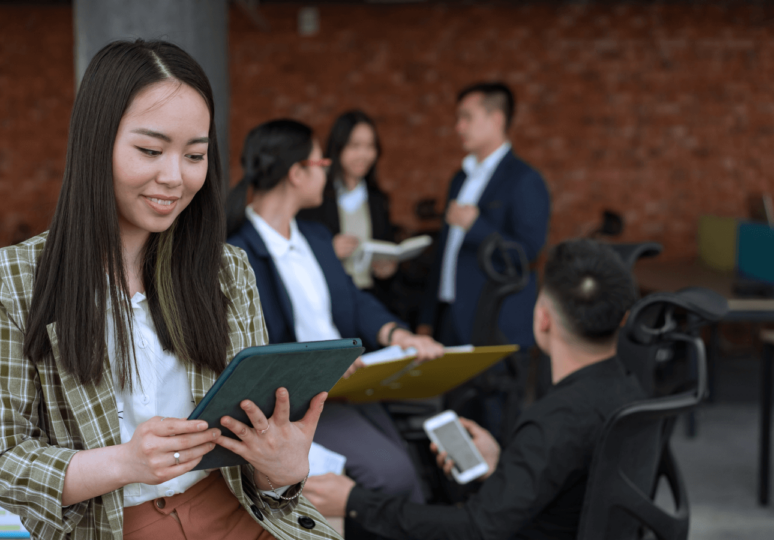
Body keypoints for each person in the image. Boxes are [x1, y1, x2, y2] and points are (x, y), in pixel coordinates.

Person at [0, 40, 339, 540]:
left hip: (236, 510)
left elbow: (259, 450)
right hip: (111, 524)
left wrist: (282, 471)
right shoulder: (10, 279)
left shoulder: (226, 270)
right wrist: (124, 462)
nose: (174, 178)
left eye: (195, 155)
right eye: (149, 150)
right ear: (97, 142)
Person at [304, 239, 646, 540]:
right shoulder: (632, 391)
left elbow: (475, 529)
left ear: (543, 319)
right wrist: (504, 469)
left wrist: (354, 501)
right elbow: (579, 485)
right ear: (623, 317)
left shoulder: (552, 421)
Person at [225, 119, 446, 533]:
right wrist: (323, 364)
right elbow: (252, 345)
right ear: (297, 173)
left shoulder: (316, 236)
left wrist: (398, 334)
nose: (327, 173)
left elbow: (354, 302)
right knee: (392, 476)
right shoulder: (239, 252)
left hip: (350, 386)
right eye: (322, 162)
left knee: (411, 472)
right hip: (300, 399)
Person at [418, 82, 550, 349]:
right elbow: (446, 250)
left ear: (496, 119)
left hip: (496, 324)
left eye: (466, 117)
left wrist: (476, 227)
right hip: (450, 317)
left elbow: (527, 254)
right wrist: (427, 317)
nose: (459, 127)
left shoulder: (525, 180)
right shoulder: (460, 178)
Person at [297, 110, 398, 308]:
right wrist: (328, 250)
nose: (364, 154)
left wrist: (388, 267)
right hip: (327, 299)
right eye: (355, 146)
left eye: (370, 146)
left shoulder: (378, 201)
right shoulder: (316, 198)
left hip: (370, 299)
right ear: (338, 147)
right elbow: (298, 251)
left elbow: (387, 247)